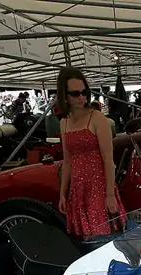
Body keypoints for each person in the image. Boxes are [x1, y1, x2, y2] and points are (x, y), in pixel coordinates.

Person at [57, 67, 126, 238]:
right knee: (87, 239)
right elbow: (67, 161)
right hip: (78, 189)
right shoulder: (64, 122)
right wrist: (62, 193)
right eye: (75, 93)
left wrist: (110, 194)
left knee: (104, 237)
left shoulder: (96, 118)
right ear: (64, 95)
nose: (81, 97)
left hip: (99, 187)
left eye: (84, 92)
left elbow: (108, 160)